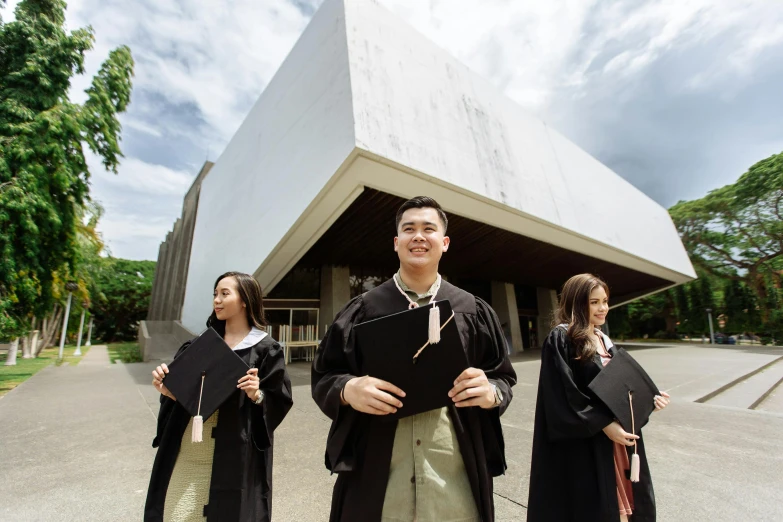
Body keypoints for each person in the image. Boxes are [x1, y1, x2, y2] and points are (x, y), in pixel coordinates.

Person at [311, 196, 517, 522]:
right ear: (396, 243)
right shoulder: (363, 310)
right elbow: (325, 375)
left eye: (428, 229)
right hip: (379, 478)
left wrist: (492, 392)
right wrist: (348, 389)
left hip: (453, 480)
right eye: (409, 229)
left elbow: (502, 376)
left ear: (444, 243)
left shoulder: (472, 310)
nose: (418, 236)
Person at [145, 272, 293, 522]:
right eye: (215, 294)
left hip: (233, 456)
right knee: (176, 513)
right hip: (187, 451)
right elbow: (182, 398)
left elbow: (278, 400)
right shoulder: (199, 346)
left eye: (225, 294)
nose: (217, 300)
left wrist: (257, 395)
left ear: (245, 299)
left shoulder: (266, 350)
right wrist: (168, 391)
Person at [527, 274, 670, 522]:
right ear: (576, 303)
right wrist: (604, 424)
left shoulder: (605, 340)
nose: (603, 308)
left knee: (625, 511)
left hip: (615, 441)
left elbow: (619, 388)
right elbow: (563, 394)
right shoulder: (563, 338)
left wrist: (646, 403)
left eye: (605, 301)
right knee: (598, 508)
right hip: (586, 443)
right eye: (594, 302)